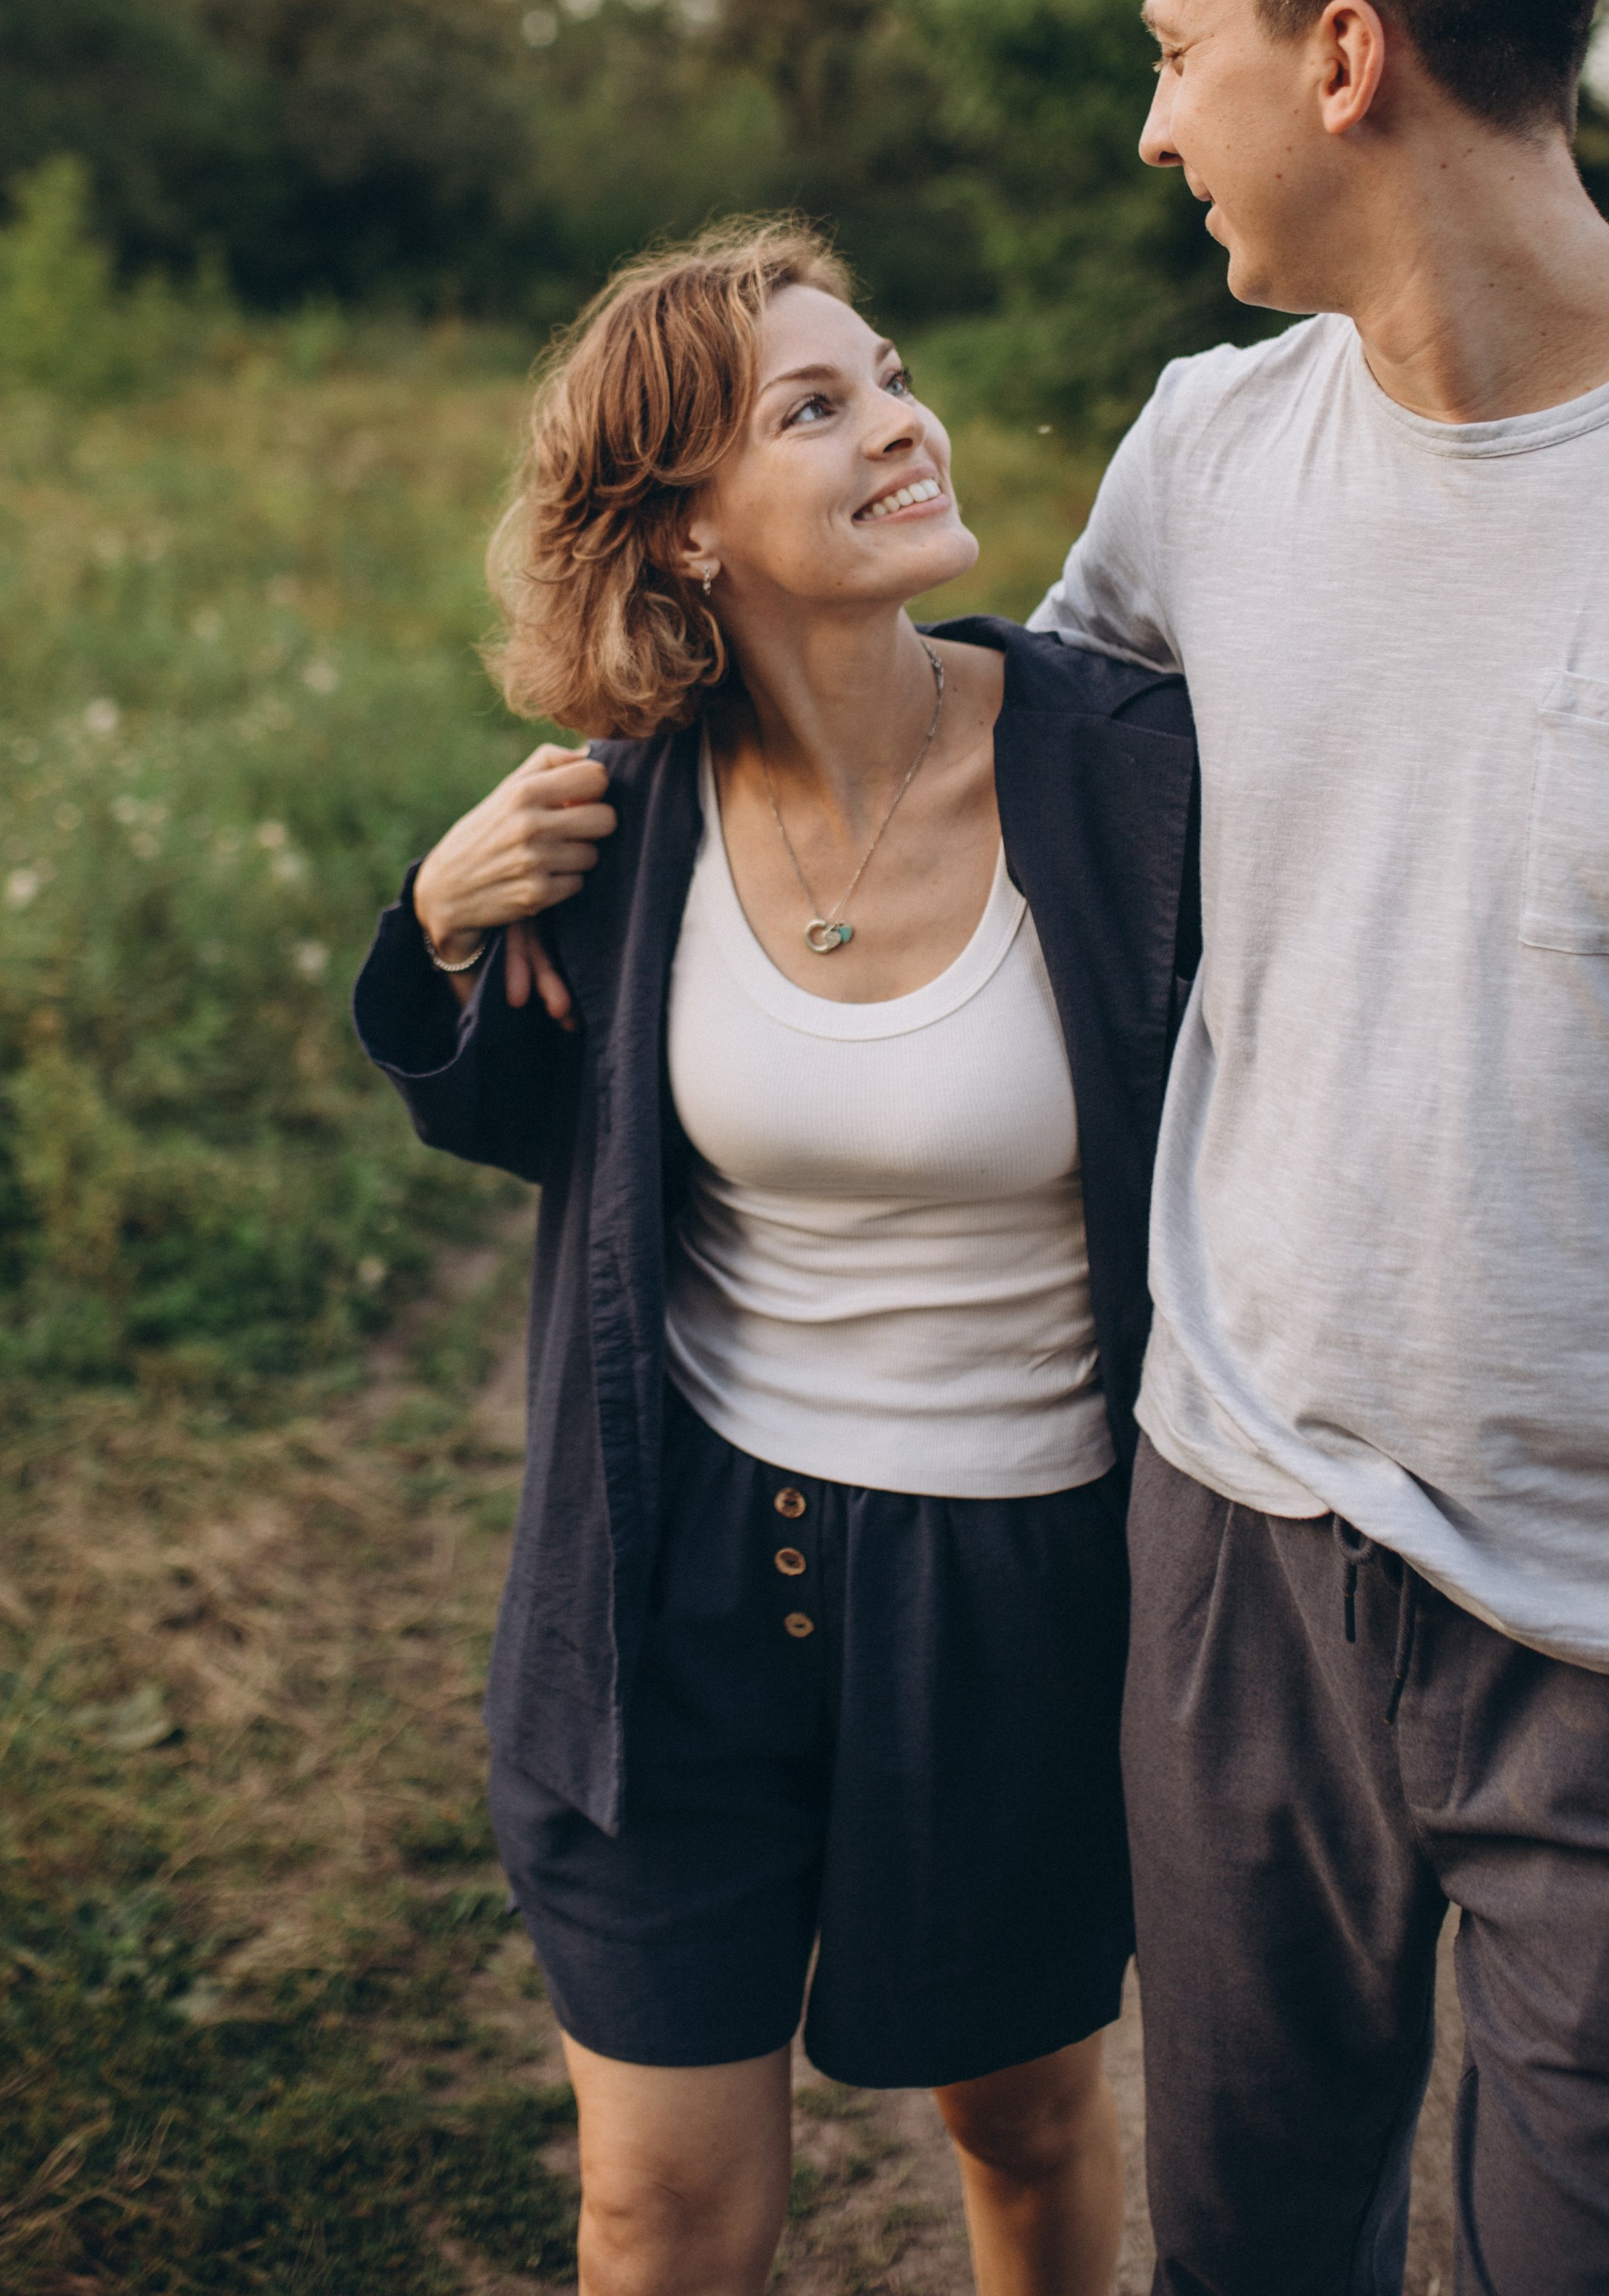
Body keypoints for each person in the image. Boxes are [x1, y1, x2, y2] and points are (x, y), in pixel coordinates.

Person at [1033, 0, 1609, 2294]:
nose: (1157, 130)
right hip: (1245, 1544)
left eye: (1177, 51)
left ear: (1342, 56)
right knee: (1250, 2252)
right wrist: (549, 827)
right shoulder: (1199, 465)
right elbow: (943, 803)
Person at [352, 222, 1197, 2296]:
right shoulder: (620, 819)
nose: (897, 418)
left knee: (1013, 2121)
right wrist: (443, 919)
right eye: (811, 409)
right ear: (685, 533)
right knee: (650, 2212)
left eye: (886, 373)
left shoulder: (1129, 777)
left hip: (1013, 1590)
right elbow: (496, 1109)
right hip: (675, 1586)